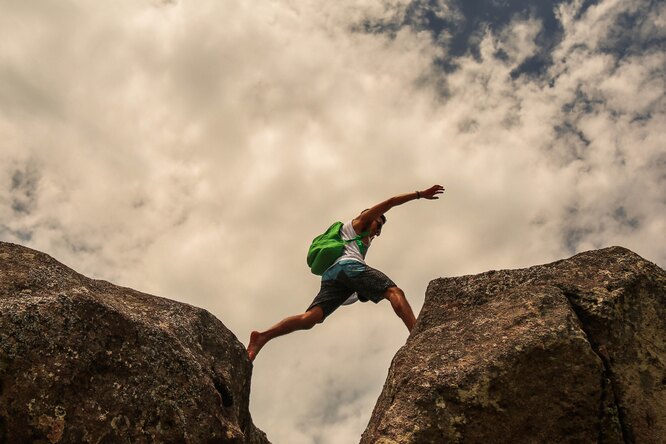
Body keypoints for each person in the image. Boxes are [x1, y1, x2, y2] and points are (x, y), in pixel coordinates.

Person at [247, 184, 445, 361]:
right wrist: (420, 194)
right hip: (348, 268)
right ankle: (418, 336)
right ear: (370, 218)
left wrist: (361, 290)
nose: (379, 226)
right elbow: (391, 202)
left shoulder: (361, 241)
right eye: (379, 222)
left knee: (310, 318)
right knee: (394, 292)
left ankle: (262, 337)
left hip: (333, 275)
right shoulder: (361, 223)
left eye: (381, 226)